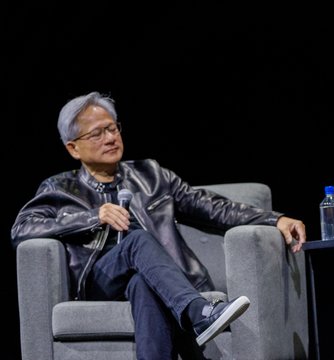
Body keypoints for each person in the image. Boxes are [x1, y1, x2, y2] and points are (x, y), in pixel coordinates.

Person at [11, 91, 306, 360]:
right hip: (101, 280)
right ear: (74, 148)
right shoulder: (60, 187)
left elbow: (213, 207)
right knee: (137, 240)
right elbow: (22, 228)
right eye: (97, 133)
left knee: (144, 283)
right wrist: (93, 216)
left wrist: (274, 218)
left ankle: (183, 319)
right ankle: (199, 311)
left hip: (149, 278)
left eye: (113, 128)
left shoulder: (151, 174)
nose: (110, 138)